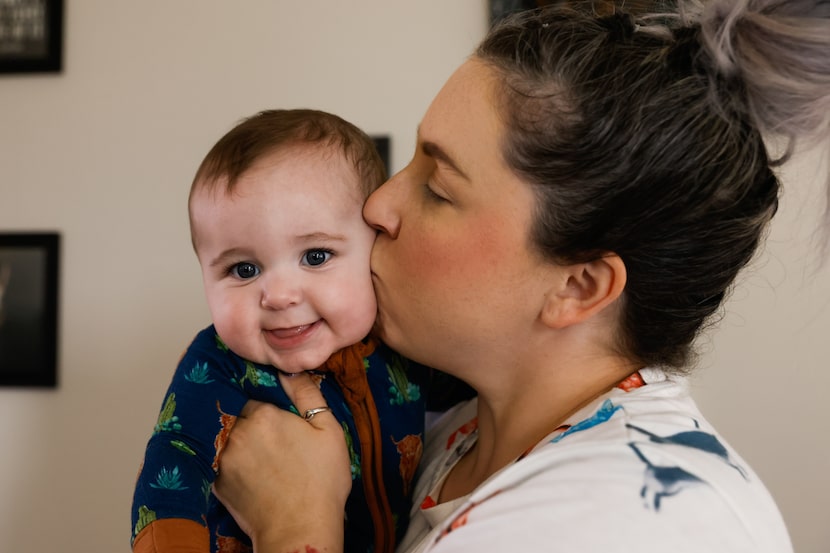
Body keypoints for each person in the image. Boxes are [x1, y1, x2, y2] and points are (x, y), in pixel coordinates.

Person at [210, 1, 830, 552]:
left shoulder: (629, 521)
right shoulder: (451, 429)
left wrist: (295, 525)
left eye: (438, 189)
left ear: (577, 287)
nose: (377, 207)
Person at [130, 109, 428, 553]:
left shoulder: (405, 346)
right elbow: (176, 455)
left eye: (315, 256)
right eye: (244, 269)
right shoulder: (216, 364)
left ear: (375, 249)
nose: (280, 296)